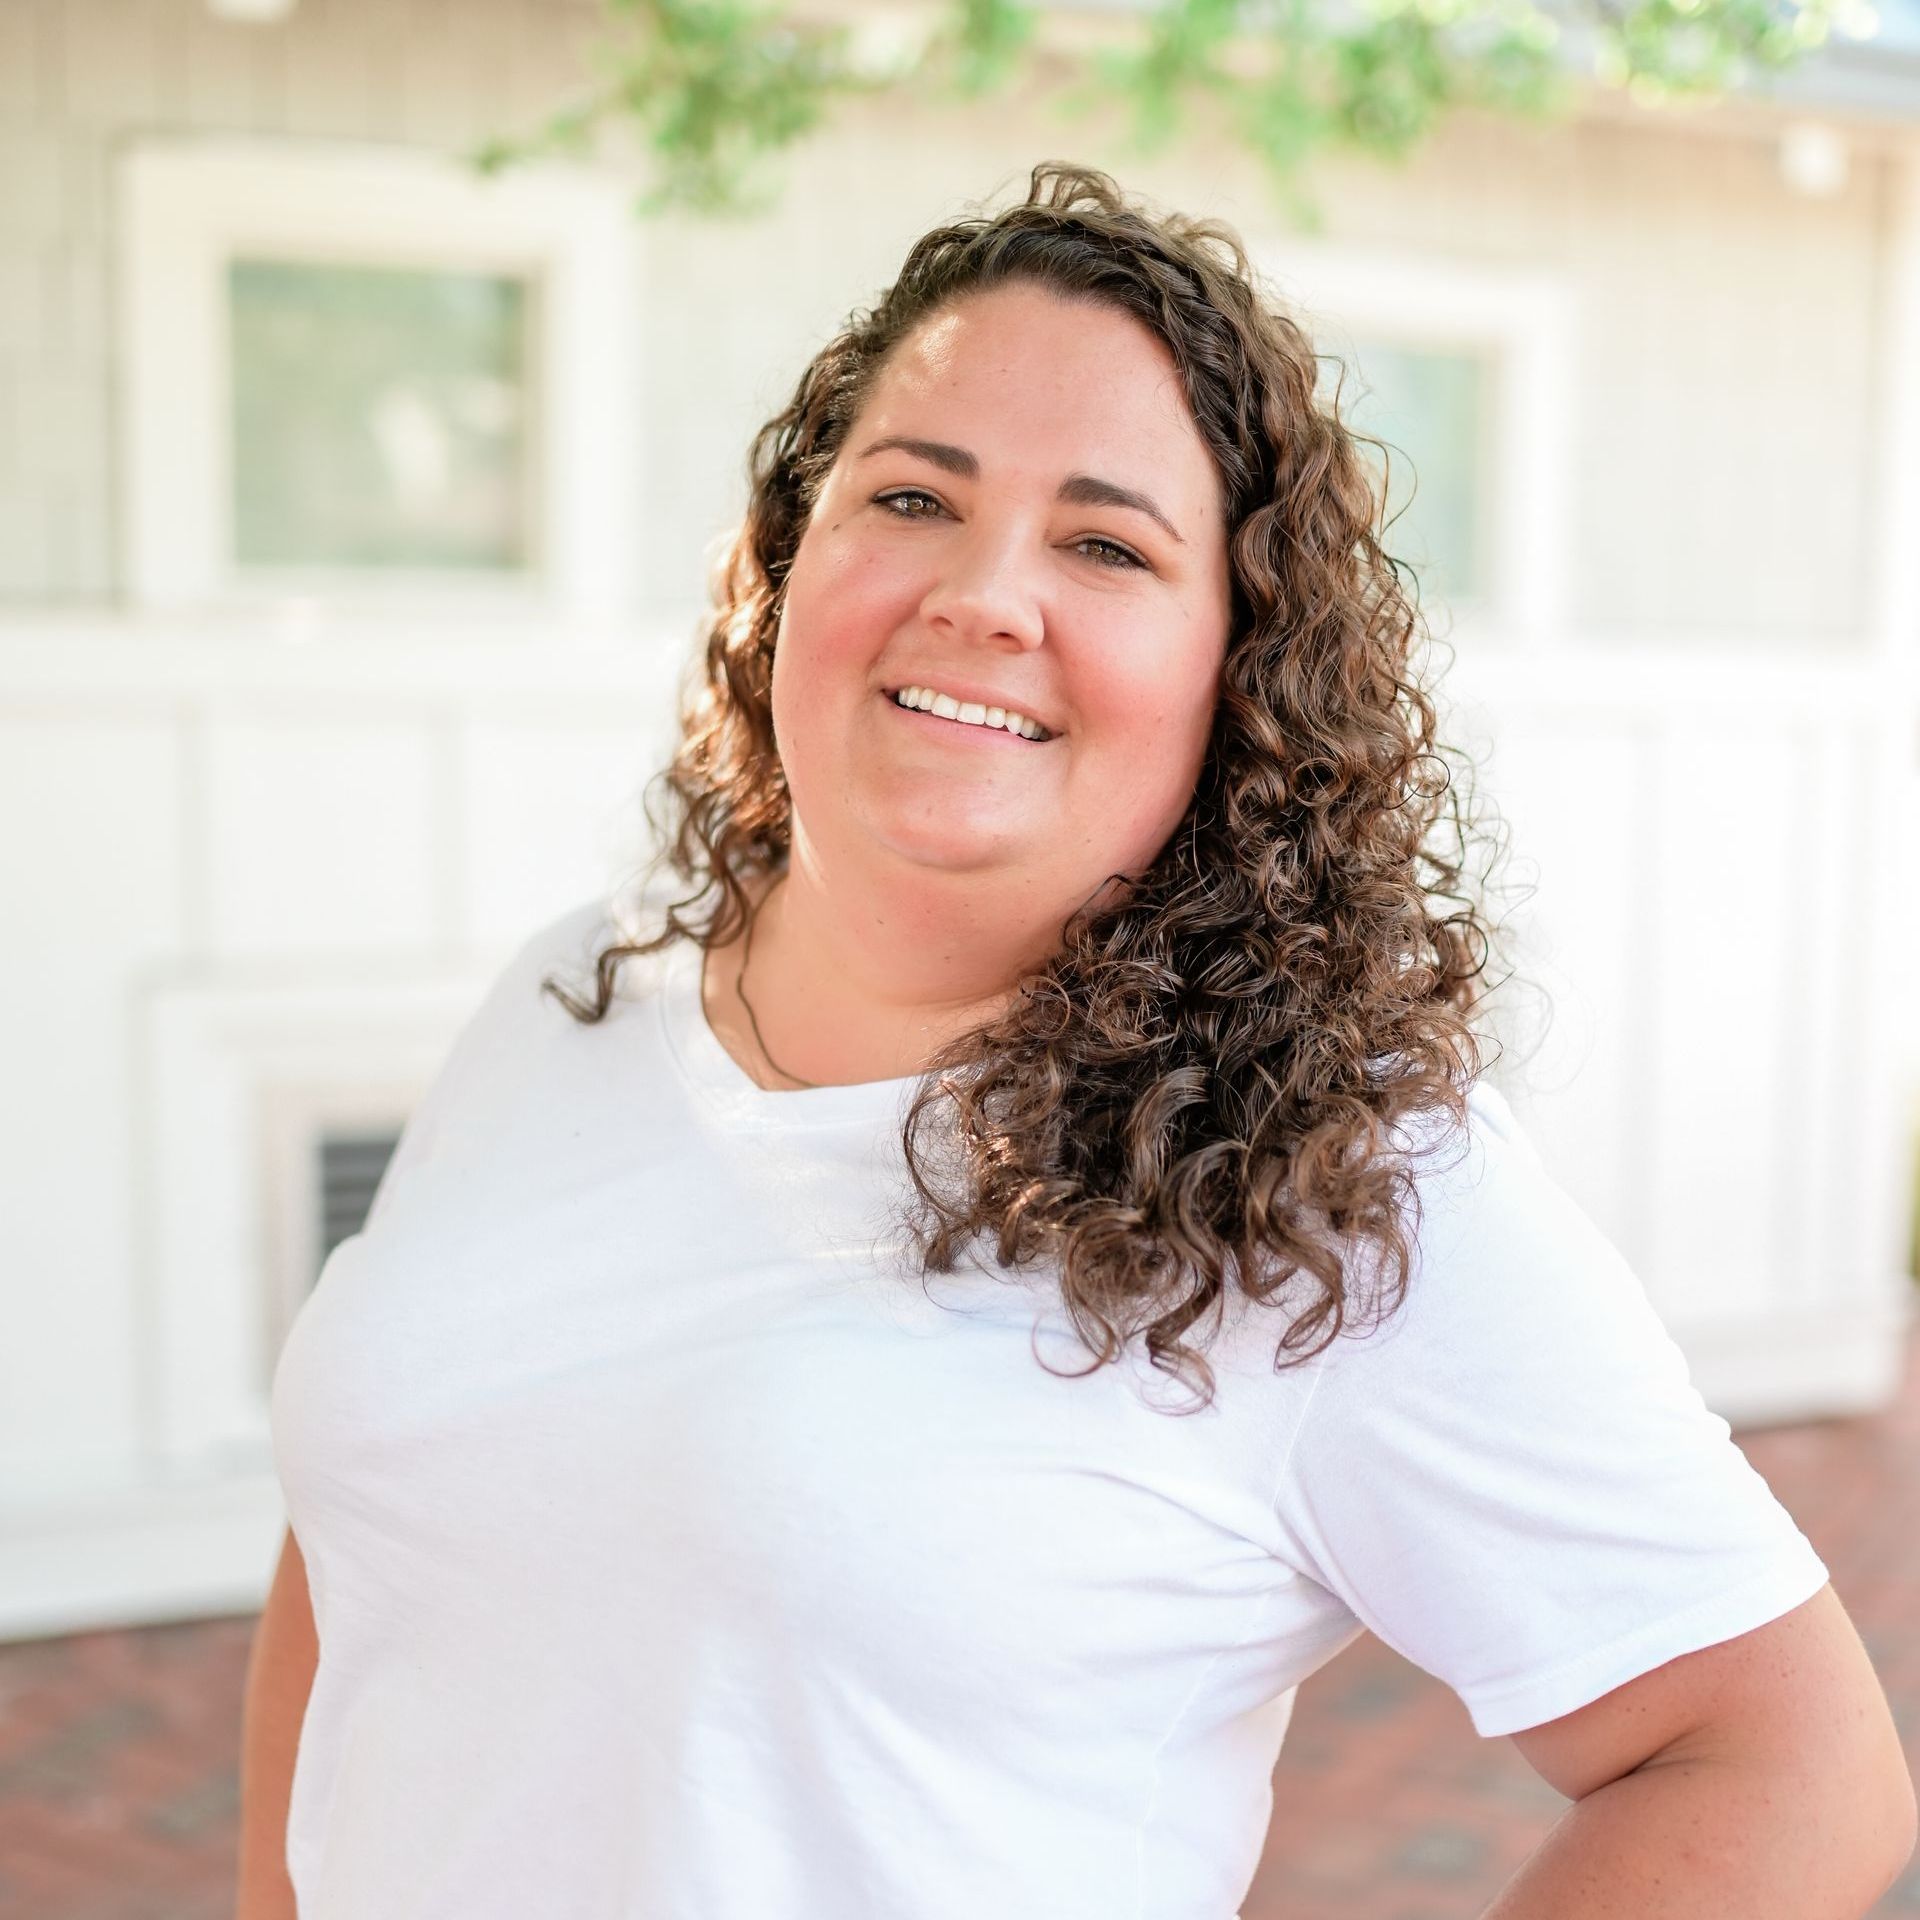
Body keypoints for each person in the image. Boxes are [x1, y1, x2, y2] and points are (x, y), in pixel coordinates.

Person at [236, 164, 1915, 1920]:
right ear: (790, 563)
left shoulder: (1326, 1186)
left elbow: (1787, 1761)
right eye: (911, 496)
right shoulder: (570, 998)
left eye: (1106, 544)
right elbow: (361, 1553)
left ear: (1238, 672)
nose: (984, 594)